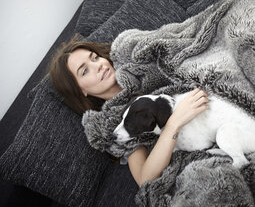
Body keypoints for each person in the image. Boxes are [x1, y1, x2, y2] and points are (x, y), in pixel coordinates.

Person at [49, 36, 209, 186]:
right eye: (84, 71)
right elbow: (143, 178)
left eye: (95, 57)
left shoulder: (136, 64)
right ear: (80, 91)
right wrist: (174, 123)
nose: (98, 65)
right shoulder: (114, 122)